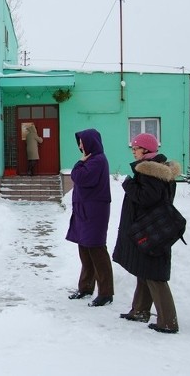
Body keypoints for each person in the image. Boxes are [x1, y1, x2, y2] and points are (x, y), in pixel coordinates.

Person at [112, 133, 181, 334]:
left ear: (147, 151)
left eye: (137, 147)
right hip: (152, 229)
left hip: (150, 231)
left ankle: (168, 321)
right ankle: (140, 311)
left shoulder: (150, 173)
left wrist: (129, 184)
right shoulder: (160, 172)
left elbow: (146, 199)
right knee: (145, 271)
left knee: (155, 276)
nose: (133, 150)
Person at [66, 128, 114, 307]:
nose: (79, 146)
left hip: (94, 213)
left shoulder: (97, 160)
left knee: (96, 250)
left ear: (90, 142)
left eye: (82, 142)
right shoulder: (92, 160)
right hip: (84, 211)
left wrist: (78, 163)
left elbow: (80, 177)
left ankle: (106, 293)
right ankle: (85, 287)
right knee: (85, 250)